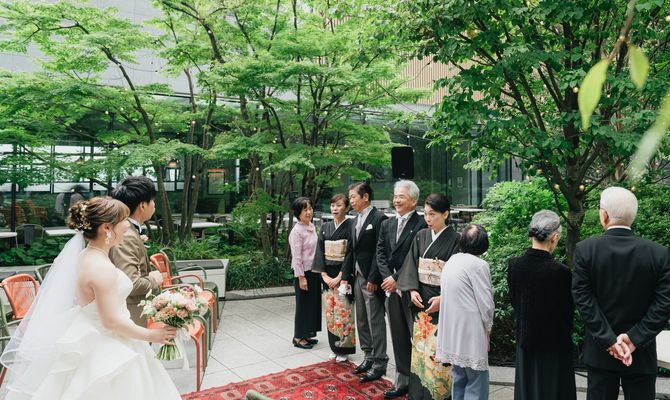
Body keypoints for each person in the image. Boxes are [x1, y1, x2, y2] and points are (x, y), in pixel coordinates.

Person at [0, 197, 180, 399]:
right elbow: (110, 321)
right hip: (108, 343)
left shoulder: (87, 255)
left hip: (92, 332)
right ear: (107, 228)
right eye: (123, 221)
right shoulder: (101, 268)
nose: (127, 225)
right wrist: (151, 335)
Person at [572, 187, 670, 400]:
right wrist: (634, 339)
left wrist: (609, 340)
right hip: (641, 353)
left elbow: (583, 299)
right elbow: (664, 305)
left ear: (604, 215)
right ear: (633, 217)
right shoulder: (658, 254)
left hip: (600, 352)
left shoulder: (585, 250)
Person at [507, 210, 576, 400]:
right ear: (554, 237)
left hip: (525, 341)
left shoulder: (515, 265)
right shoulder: (561, 272)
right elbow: (567, 312)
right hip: (554, 347)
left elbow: (515, 301)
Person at [397, 193, 460, 400]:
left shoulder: (456, 240)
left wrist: (444, 299)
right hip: (421, 300)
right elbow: (411, 264)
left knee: (437, 351)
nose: (428, 219)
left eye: (432, 214)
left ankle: (438, 394)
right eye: (425, 214)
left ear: (446, 214)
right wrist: (412, 289)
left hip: (441, 302)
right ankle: (417, 394)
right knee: (420, 351)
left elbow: (458, 276)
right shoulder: (421, 235)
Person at [376, 180, 426, 398]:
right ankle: (402, 380)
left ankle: (421, 382)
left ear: (413, 200)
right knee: (397, 335)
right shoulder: (387, 224)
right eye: (395, 196)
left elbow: (415, 256)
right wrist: (387, 277)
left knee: (417, 337)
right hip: (391, 289)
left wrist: (397, 278)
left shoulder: (422, 224)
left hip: (412, 289)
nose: (396, 200)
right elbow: (380, 252)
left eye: (401, 196)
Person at [435, 224, 494, 400]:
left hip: (452, 328)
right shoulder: (479, 265)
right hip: (471, 329)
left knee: (459, 376)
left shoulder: (453, 260)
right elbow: (486, 304)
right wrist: (488, 329)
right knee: (477, 380)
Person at [341, 181, 388, 383]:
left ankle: (380, 361)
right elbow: (351, 250)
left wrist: (374, 277)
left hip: (371, 278)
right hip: (357, 275)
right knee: (361, 318)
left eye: (353, 197)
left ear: (365, 197)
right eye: (350, 197)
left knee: (374, 319)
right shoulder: (353, 221)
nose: (350, 200)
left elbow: (381, 251)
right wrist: (345, 276)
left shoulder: (379, 218)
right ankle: (368, 355)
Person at [109, 176, 163, 326]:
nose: (154, 204)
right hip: (132, 314)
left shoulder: (129, 230)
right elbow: (130, 283)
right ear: (143, 205)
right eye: (152, 200)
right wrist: (153, 279)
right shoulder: (126, 235)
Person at [312, 194, 356, 361]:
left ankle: (344, 349)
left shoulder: (351, 225)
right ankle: (333, 347)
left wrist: (340, 276)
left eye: (339, 205)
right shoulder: (325, 226)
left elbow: (350, 253)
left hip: (343, 276)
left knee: (344, 311)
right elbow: (319, 251)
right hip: (327, 276)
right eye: (332, 205)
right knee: (330, 312)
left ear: (347, 207)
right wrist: (323, 275)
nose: (335, 208)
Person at [288, 196, 321, 349]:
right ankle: (298, 337)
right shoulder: (297, 231)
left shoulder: (311, 226)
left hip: (314, 271)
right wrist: (301, 277)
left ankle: (307, 334)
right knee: (303, 305)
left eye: (310, 208)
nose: (309, 212)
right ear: (298, 213)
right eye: (305, 209)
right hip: (303, 273)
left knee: (311, 304)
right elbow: (297, 257)